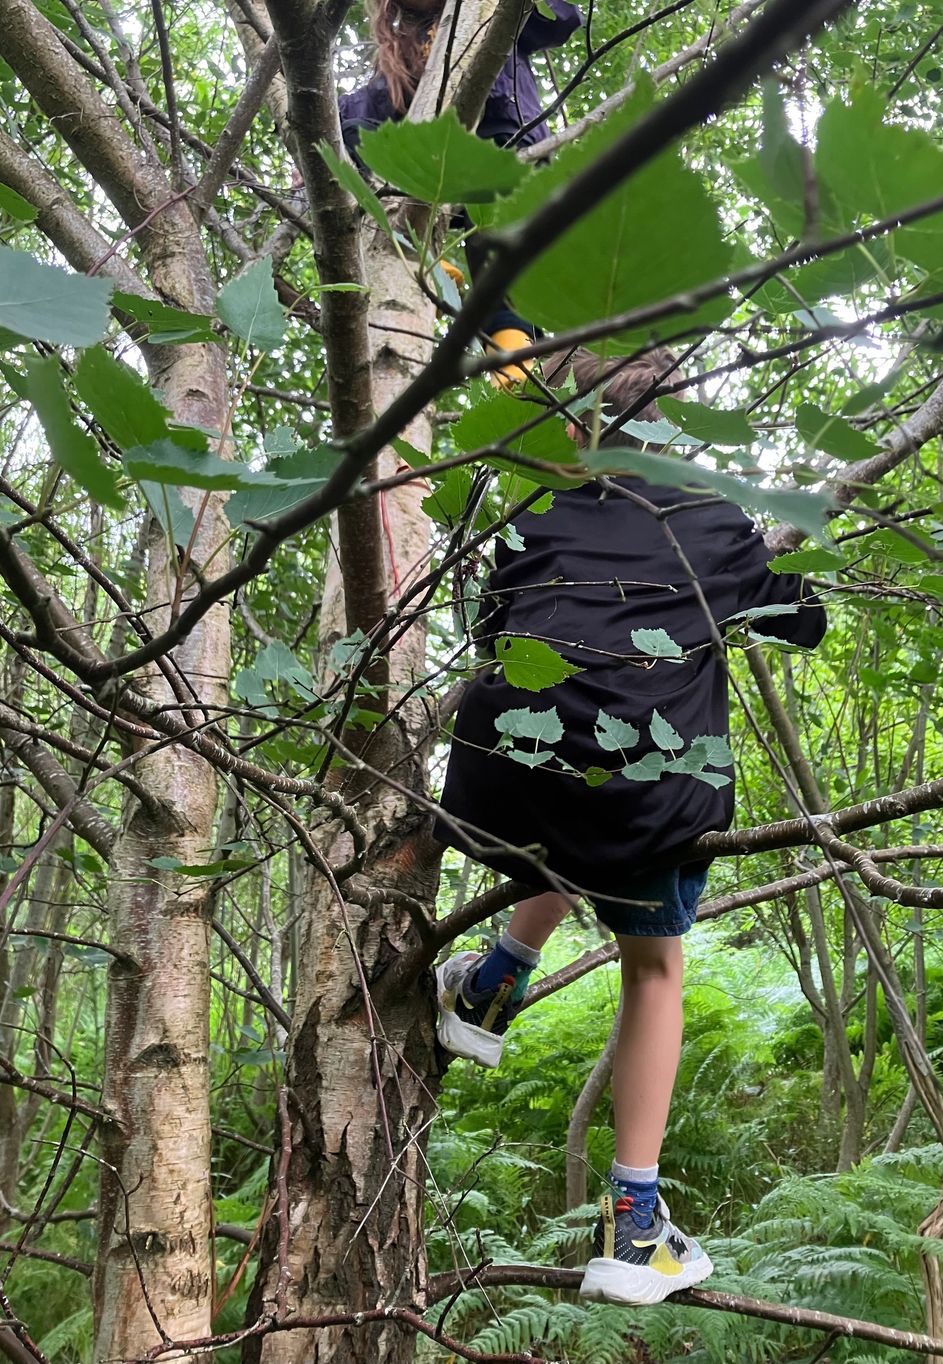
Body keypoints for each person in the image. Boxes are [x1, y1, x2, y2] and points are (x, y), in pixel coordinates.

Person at [435, 347, 828, 1306]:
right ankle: (636, 1227)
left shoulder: (531, 519)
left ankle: (489, 989)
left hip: (508, 774)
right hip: (651, 788)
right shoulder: (712, 521)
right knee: (652, 970)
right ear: (675, 433)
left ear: (573, 430)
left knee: (571, 775)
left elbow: (495, 632)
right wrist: (754, 571)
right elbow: (805, 622)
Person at [339, 0, 582, 371]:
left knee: (495, 230)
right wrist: (327, 129)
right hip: (445, 166)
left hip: (507, 139)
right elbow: (371, 106)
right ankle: (421, 258)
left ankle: (512, 345)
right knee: (355, 131)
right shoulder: (405, 44)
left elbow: (563, 18)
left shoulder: (490, 9)